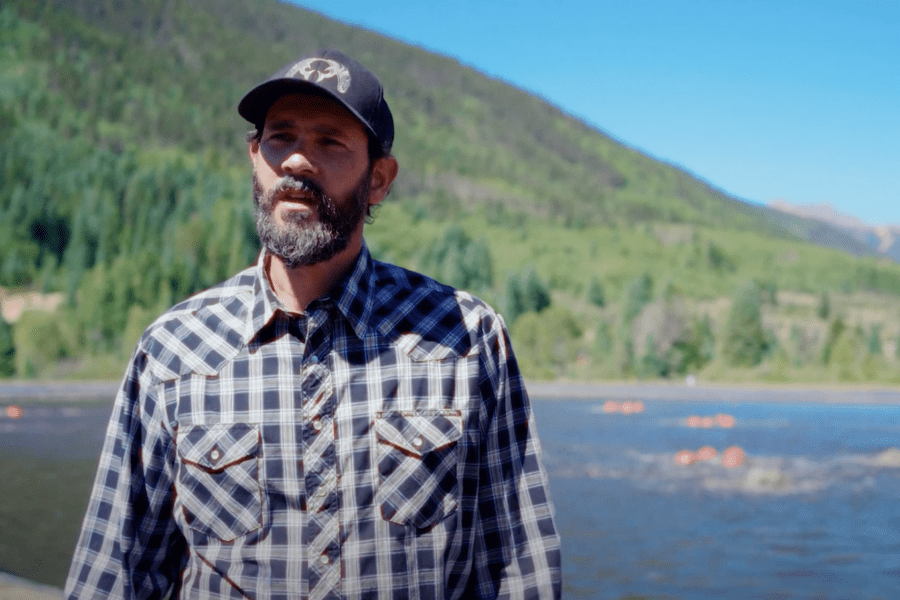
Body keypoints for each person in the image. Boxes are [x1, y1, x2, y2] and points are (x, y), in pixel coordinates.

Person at [65, 48, 561, 600]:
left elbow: (520, 569)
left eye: (330, 142)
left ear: (379, 179)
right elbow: (114, 574)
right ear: (254, 156)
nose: (298, 161)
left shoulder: (466, 339)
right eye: (281, 138)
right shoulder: (174, 350)